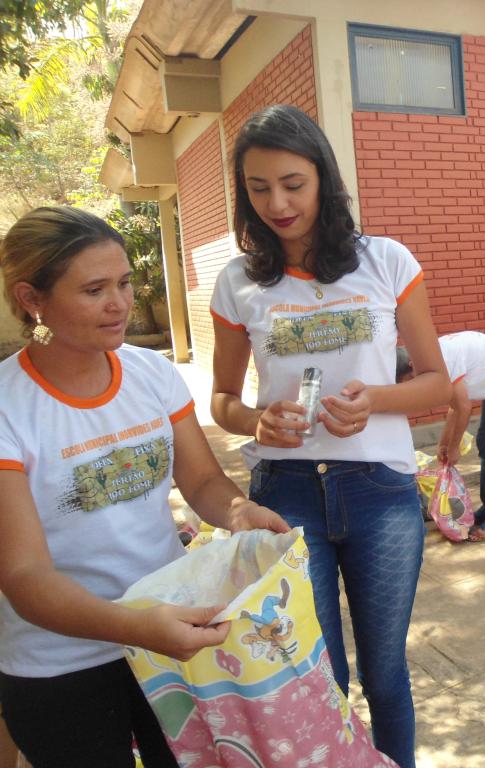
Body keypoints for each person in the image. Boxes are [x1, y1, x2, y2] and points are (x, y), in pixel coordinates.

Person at [0, 206, 290, 768]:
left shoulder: (151, 373)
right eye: (95, 290)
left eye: (125, 282)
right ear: (32, 298)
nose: (120, 303)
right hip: (61, 665)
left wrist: (238, 511)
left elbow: (201, 479)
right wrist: (135, 625)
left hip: (169, 636)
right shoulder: (9, 406)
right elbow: (24, 576)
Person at [209, 104, 450, 768]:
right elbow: (222, 400)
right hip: (285, 493)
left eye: (293, 184)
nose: (278, 204)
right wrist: (255, 420)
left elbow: (436, 382)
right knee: (316, 674)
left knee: (385, 673)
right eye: (259, 188)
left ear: (323, 177)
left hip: (380, 491)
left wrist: (375, 401)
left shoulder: (386, 261)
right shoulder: (238, 281)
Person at [397, 331, 485, 541]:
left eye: (409, 380)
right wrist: (444, 444)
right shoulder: (428, 361)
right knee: (484, 444)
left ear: (412, 365)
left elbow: (464, 408)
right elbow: (455, 406)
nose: (413, 385)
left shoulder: (440, 361)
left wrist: (454, 447)